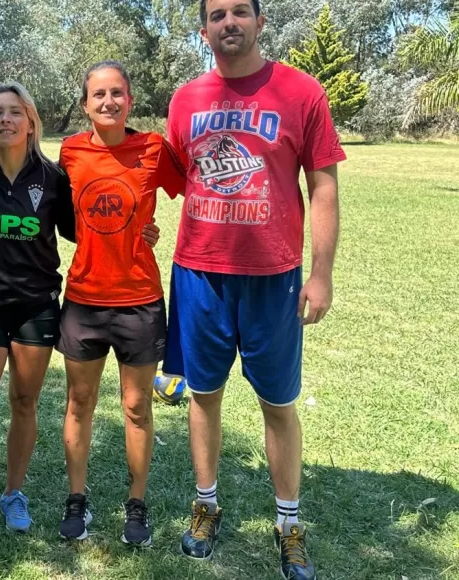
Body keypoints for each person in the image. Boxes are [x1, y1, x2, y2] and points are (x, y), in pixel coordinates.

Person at [0, 82, 162, 552]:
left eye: (14, 112)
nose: (5, 120)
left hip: (37, 304)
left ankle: (13, 494)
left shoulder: (54, 177)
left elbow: (86, 230)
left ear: (31, 121)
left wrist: (141, 227)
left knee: (25, 402)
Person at [164, 1, 345, 578]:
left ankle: (289, 524)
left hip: (273, 277)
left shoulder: (300, 92)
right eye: (217, 15)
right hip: (199, 273)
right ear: (204, 31)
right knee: (203, 396)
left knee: (278, 403)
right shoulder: (186, 99)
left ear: (261, 22)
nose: (229, 22)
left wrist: (321, 272)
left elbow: (322, 187)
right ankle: (205, 505)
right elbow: (168, 174)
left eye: (241, 11)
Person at [56, 61, 186, 547]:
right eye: (98, 95)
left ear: (129, 99)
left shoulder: (153, 147)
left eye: (117, 93)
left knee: (136, 407)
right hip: (84, 300)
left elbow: (193, 193)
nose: (108, 102)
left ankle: (136, 504)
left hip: (140, 300)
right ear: (86, 103)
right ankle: (76, 499)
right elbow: (62, 214)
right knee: (80, 403)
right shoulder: (70, 152)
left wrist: (154, 233)